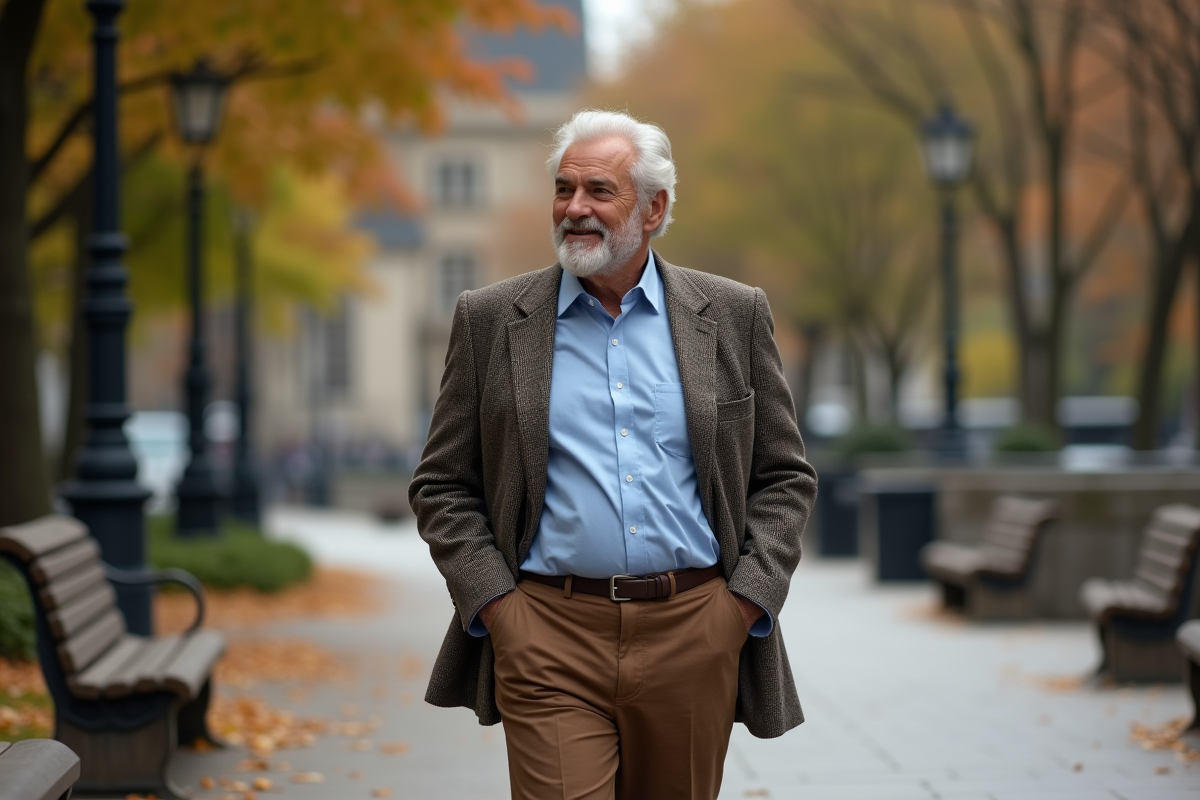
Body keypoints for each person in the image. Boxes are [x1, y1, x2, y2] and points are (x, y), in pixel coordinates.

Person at [409, 109, 818, 800]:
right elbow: (442, 484)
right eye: (564, 189)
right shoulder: (491, 319)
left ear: (653, 208)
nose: (575, 208)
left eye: (599, 191)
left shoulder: (733, 314)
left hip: (694, 630)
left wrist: (743, 605)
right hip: (548, 634)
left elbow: (784, 477)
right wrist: (501, 609)